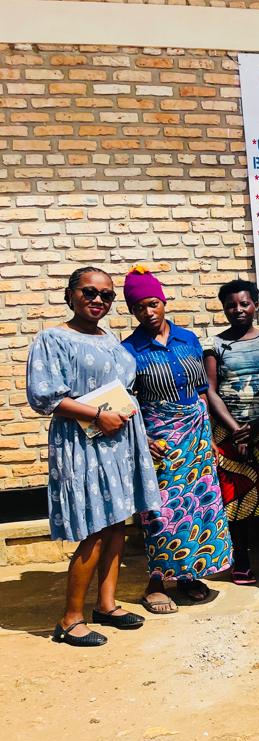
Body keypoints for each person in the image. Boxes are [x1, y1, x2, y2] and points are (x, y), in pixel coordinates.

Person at [27, 267, 161, 646]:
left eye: (106, 296)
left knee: (117, 523)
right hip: (83, 441)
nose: (98, 300)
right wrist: (98, 416)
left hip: (118, 440)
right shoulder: (53, 339)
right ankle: (70, 619)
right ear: (71, 296)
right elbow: (45, 396)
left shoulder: (110, 339)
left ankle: (106, 604)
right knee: (94, 528)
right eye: (89, 293)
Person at [121, 267, 233, 613]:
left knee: (199, 506)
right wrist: (141, 438)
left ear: (163, 301)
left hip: (196, 435)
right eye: (139, 307)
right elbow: (126, 400)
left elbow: (202, 390)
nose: (148, 312)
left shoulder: (188, 339)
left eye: (152, 303)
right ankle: (156, 582)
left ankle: (188, 575)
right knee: (161, 510)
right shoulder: (129, 350)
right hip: (160, 438)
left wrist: (212, 437)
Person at [203, 279, 259, 586]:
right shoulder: (215, 345)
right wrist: (236, 429)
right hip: (229, 433)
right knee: (235, 498)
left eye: (244, 303)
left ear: (256, 305)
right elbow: (209, 389)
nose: (237, 310)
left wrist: (256, 426)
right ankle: (241, 562)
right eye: (230, 305)